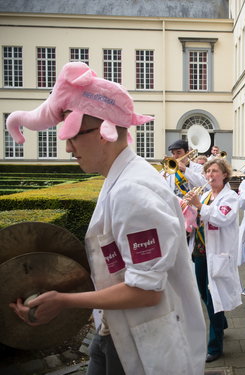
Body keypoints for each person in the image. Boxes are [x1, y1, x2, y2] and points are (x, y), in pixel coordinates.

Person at [7, 62, 206, 375]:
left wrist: (64, 301)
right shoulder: (121, 179)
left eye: (73, 134)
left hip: (142, 343)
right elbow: (120, 266)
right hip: (115, 332)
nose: (68, 147)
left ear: (105, 131)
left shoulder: (132, 193)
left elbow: (146, 290)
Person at [183, 158, 242, 363]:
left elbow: (221, 218)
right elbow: (196, 220)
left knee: (213, 300)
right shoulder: (206, 194)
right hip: (200, 252)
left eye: (215, 171)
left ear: (224, 174)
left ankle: (214, 346)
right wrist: (188, 207)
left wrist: (200, 206)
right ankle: (221, 322)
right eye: (207, 172)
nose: (210, 176)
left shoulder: (231, 197)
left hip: (217, 254)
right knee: (203, 293)